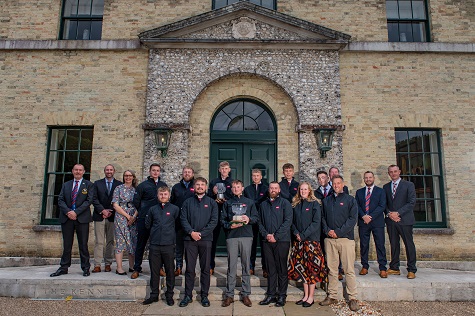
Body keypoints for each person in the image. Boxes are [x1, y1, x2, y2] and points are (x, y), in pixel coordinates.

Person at [319, 175, 359, 312]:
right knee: (332, 269)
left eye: (338, 183)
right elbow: (322, 218)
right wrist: (328, 231)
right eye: (334, 183)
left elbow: (352, 219)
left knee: (348, 269)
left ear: (343, 184)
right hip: (329, 240)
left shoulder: (350, 200)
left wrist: (339, 232)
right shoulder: (326, 200)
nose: (336, 185)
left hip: (345, 239)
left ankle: (353, 297)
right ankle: (332, 295)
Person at [179, 177, 218, 308]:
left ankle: (204, 295)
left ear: (206, 187)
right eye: (198, 184)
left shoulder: (212, 203)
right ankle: (188, 295)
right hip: (190, 240)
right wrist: (191, 232)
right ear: (194, 187)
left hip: (206, 240)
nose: (200, 187)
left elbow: (214, 221)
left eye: (202, 185)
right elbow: (183, 219)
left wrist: (202, 233)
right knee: (189, 269)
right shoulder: (187, 202)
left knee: (205, 268)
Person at [50, 164, 94, 277]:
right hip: (67, 218)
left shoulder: (89, 185)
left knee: (83, 244)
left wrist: (76, 212)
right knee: (67, 244)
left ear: (84, 172)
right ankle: (64, 267)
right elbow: (60, 200)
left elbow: (88, 201)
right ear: (72, 171)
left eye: (80, 170)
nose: (78, 172)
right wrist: (68, 212)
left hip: (82, 218)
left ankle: (85, 267)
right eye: (76, 170)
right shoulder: (66, 185)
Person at [288, 182, 326, 308]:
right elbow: (292, 222)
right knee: (302, 269)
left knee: (312, 270)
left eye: (305, 189)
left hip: (311, 242)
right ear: (299, 190)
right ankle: (305, 295)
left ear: (309, 190)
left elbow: (316, 223)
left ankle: (311, 297)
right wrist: (296, 234)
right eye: (301, 189)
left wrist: (303, 235)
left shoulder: (315, 204)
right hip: (299, 243)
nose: (303, 191)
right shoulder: (295, 204)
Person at [221, 180, 258, 308]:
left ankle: (245, 293)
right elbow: (223, 221)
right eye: (234, 187)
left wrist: (249, 219)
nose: (236, 189)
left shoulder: (249, 202)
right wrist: (230, 226)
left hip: (246, 236)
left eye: (238, 187)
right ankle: (229, 295)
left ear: (242, 188)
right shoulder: (227, 203)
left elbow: (256, 218)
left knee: (245, 265)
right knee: (231, 266)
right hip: (232, 237)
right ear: (231, 189)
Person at [143, 186, 179, 306]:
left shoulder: (174, 209)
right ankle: (154, 295)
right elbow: (147, 225)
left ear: (169, 195)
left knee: (169, 271)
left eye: (165, 194)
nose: (163, 196)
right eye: (161, 194)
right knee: (154, 271)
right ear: (157, 196)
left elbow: (178, 225)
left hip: (168, 245)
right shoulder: (152, 209)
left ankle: (169, 295)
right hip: (154, 245)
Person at [258, 182, 293, 307]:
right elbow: (259, 221)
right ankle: (271, 294)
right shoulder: (263, 204)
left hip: (282, 241)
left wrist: (276, 236)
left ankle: (282, 295)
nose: (273, 190)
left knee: (281, 269)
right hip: (267, 241)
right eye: (271, 188)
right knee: (271, 269)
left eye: (275, 188)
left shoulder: (285, 204)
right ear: (268, 190)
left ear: (279, 190)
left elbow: (288, 221)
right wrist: (266, 235)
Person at [131, 163, 167, 279]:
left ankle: (159, 268)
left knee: (158, 245)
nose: (155, 172)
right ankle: (137, 268)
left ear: (160, 172)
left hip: (158, 220)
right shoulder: (143, 186)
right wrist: (143, 211)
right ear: (150, 171)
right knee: (141, 244)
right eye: (153, 170)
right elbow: (136, 201)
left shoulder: (163, 185)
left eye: (157, 170)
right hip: (144, 219)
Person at [383, 165, 417, 279]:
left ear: (399, 172)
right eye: (391, 172)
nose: (393, 173)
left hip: (405, 220)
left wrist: (398, 213)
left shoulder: (408, 185)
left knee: (409, 244)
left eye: (395, 171)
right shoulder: (386, 187)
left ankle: (411, 269)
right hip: (391, 221)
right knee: (394, 244)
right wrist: (389, 214)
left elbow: (411, 202)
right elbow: (384, 203)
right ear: (389, 173)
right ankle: (394, 267)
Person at [355, 171, 388, 278]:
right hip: (363, 222)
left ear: (373, 178)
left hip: (377, 222)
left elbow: (382, 206)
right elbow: (357, 206)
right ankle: (365, 266)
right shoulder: (359, 192)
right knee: (364, 245)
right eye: (366, 178)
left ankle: (382, 267)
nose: (368, 179)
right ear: (364, 179)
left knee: (380, 244)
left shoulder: (380, 191)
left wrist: (371, 217)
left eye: (370, 177)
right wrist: (364, 216)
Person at [91, 164, 122, 273]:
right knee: (99, 241)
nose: (109, 171)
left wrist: (110, 211)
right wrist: (102, 210)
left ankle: (108, 263)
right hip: (99, 215)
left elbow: (119, 201)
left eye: (111, 170)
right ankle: (97, 264)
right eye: (107, 170)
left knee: (110, 241)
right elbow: (93, 198)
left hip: (113, 216)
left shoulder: (119, 184)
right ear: (104, 171)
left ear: (114, 171)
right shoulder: (97, 184)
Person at [207, 161, 233, 275]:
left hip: (228, 215)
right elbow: (208, 197)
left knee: (231, 242)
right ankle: (210, 266)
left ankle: (231, 268)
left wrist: (226, 200)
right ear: (219, 170)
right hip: (216, 214)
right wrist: (213, 194)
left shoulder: (232, 182)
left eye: (226, 168)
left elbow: (234, 197)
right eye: (222, 168)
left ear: (229, 170)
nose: (224, 170)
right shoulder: (214, 182)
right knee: (212, 241)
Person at [111, 170, 138, 275]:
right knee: (120, 242)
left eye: (130, 175)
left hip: (134, 217)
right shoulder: (118, 188)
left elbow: (139, 204)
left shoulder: (136, 190)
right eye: (126, 176)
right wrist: (127, 216)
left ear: (133, 177)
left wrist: (133, 216)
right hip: (121, 217)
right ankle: (119, 267)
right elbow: (115, 205)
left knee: (132, 241)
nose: (128, 177)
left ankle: (132, 266)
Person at [170, 166, 196, 276]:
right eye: (185, 172)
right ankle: (179, 267)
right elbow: (171, 202)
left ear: (193, 174)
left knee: (190, 248)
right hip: (179, 221)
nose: (187, 174)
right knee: (179, 246)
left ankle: (190, 269)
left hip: (192, 221)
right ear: (182, 173)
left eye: (189, 172)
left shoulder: (196, 186)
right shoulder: (176, 187)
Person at [243, 169, 268, 277]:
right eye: (254, 175)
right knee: (251, 245)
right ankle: (251, 266)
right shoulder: (247, 189)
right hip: (251, 220)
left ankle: (265, 268)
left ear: (261, 176)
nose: (256, 177)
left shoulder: (266, 188)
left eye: (258, 175)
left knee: (264, 245)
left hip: (263, 219)